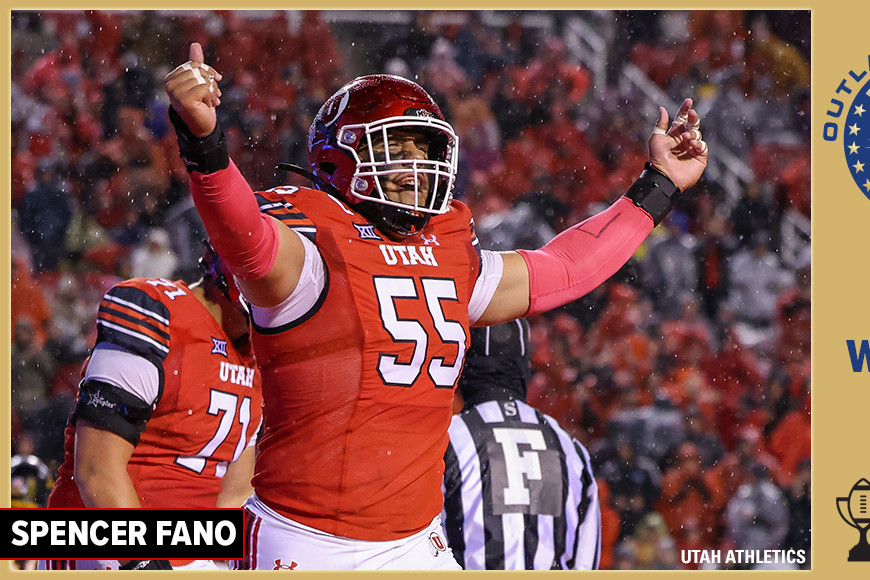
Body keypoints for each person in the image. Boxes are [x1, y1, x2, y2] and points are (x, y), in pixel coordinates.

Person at [164, 41, 707, 570]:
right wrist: (205, 145)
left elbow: (565, 268)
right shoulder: (310, 244)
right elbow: (242, 233)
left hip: (415, 543)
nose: (414, 166)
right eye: (395, 148)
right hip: (307, 540)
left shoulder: (447, 251)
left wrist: (657, 187)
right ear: (338, 156)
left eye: (423, 150)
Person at [42, 245, 263, 571]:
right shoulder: (158, 313)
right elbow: (96, 470)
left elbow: (234, 494)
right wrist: (144, 562)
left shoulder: (260, 357)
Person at [442, 320, 600, 569]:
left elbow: (416, 547)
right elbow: (585, 563)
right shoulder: (570, 448)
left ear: (465, 368)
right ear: (523, 368)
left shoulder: (446, 440)